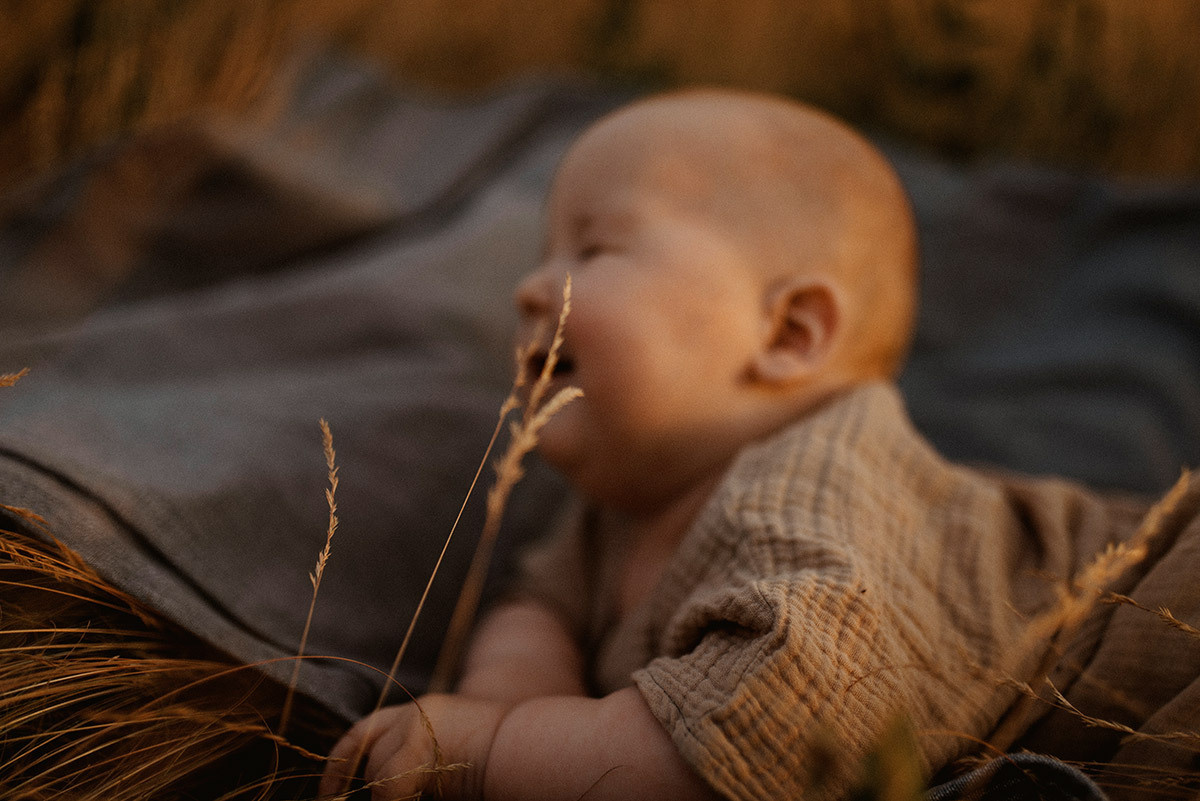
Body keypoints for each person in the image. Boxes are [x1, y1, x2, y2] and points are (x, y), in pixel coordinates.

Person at [320, 88, 1197, 800]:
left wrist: (499, 747)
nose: (528, 287)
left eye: (594, 247)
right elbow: (538, 604)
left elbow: (782, 731)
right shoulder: (615, 510)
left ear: (788, 333)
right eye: (545, 251)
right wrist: (504, 690)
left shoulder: (813, 485)